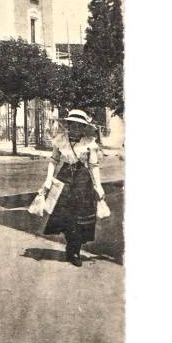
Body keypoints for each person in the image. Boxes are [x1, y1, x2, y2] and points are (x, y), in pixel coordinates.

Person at [39, 109, 107, 267]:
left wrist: (99, 186)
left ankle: (75, 250)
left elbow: (94, 166)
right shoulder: (60, 140)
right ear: (68, 125)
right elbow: (54, 161)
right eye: (72, 124)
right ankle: (72, 249)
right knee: (67, 217)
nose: (75, 128)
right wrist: (48, 180)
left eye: (79, 125)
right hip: (64, 180)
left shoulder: (89, 142)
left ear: (83, 127)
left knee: (81, 218)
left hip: (83, 182)